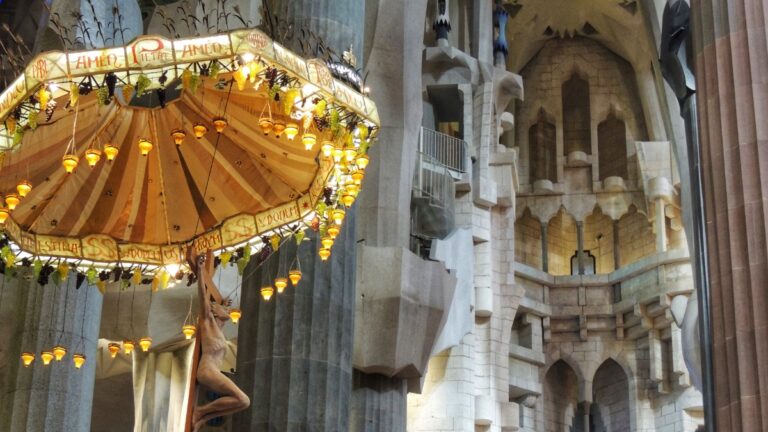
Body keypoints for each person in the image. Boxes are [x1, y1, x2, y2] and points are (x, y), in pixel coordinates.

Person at [187, 249, 250, 431]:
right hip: (207, 371)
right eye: (224, 310)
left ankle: (202, 416)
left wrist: (223, 307)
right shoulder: (207, 323)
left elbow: (222, 313)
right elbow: (202, 298)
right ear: (213, 311)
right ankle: (201, 412)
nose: (229, 312)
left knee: (241, 403)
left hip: (213, 370)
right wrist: (200, 272)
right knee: (243, 400)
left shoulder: (219, 330)